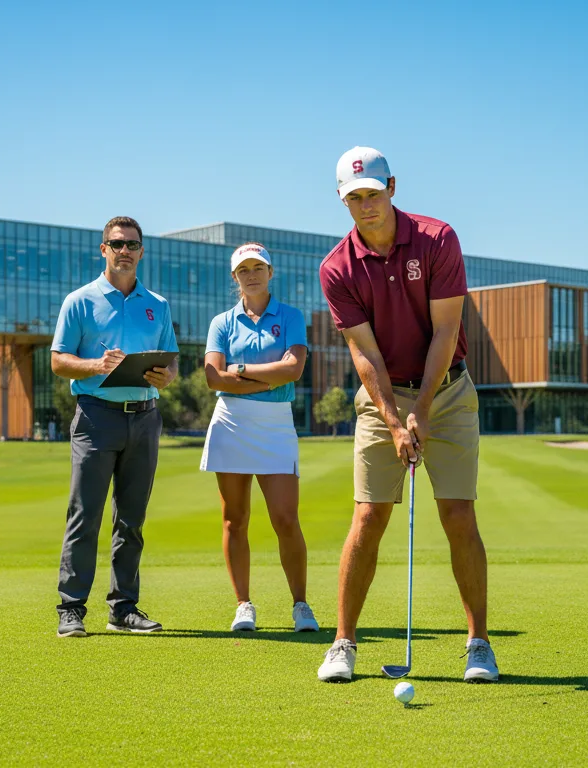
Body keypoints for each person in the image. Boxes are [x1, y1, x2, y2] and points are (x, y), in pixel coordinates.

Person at [315, 147, 499, 683]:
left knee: (458, 514)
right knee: (368, 518)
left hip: (448, 391)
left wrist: (421, 409)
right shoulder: (337, 268)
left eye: (373, 193)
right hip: (382, 399)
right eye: (354, 198)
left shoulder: (438, 239)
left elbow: (446, 331)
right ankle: (343, 642)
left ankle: (479, 644)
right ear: (341, 200)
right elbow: (364, 355)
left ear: (392, 187)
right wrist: (395, 420)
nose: (365, 205)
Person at [50, 216, 178, 637]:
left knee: (132, 520)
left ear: (142, 252)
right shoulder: (80, 301)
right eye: (117, 244)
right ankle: (71, 607)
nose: (125, 250)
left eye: (132, 245)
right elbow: (58, 360)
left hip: (145, 418)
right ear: (103, 249)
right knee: (84, 515)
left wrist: (166, 376)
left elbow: (171, 360)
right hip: (96, 417)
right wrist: (95, 365)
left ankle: (123, 608)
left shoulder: (157, 304)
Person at [200, 243, 320, 633]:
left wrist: (242, 373)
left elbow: (294, 370)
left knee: (285, 519)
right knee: (235, 519)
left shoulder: (291, 316)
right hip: (231, 422)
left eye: (258, 267)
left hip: (275, 424)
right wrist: (266, 377)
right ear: (234, 277)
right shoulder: (222, 322)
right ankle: (243, 605)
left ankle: (300, 604)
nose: (251, 274)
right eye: (243, 269)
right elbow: (213, 378)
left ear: (271, 272)